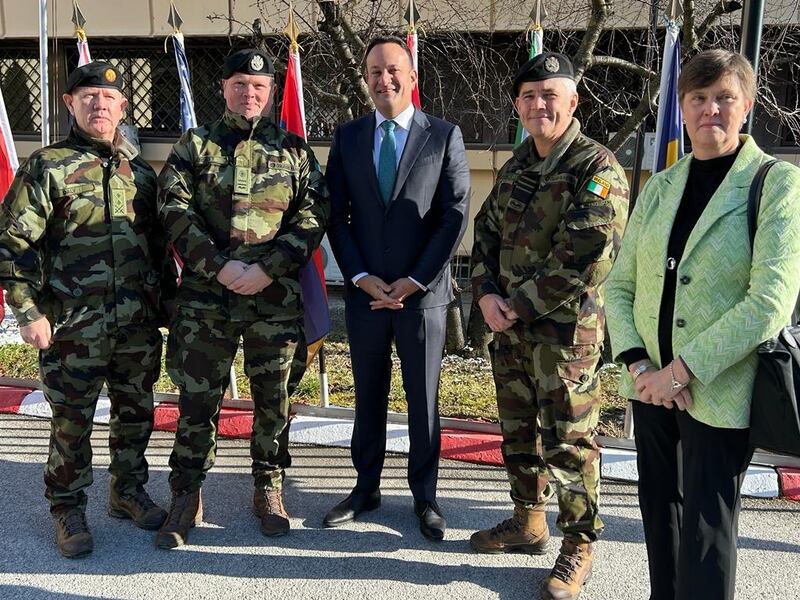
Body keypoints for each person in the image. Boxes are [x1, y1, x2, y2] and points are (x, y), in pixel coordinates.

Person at [605, 49, 800, 600]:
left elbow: (769, 302)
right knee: (659, 514)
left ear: (746, 105)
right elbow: (619, 286)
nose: (710, 109)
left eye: (723, 97)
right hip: (649, 386)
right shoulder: (661, 186)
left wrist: (681, 372)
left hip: (718, 390)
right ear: (683, 107)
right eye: (698, 98)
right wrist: (641, 367)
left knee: (706, 532)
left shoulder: (776, 183)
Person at [155, 48, 329, 548]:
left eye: (258, 86)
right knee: (197, 399)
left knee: (274, 399)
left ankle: (268, 487)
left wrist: (267, 268)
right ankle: (186, 493)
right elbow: (174, 209)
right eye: (239, 84)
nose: (248, 93)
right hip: (206, 300)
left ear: (270, 92)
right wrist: (219, 266)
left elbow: (313, 216)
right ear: (224, 88)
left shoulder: (294, 151)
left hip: (273, 297)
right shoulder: (195, 145)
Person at [470, 53, 629, 599]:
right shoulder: (517, 165)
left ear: (573, 101)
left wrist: (516, 304)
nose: (539, 104)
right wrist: (486, 294)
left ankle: (578, 544)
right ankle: (528, 522)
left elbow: (588, 253)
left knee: (569, 443)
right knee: (518, 433)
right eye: (529, 96)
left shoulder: (595, 167)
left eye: (550, 95)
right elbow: (484, 234)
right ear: (518, 105)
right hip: (511, 331)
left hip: (565, 338)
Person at [0, 62, 174, 558]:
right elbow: (13, 243)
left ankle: (127, 492)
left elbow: (159, 249)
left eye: (108, 98)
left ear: (123, 107)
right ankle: (67, 507)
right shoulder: (47, 166)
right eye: (89, 96)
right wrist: (27, 311)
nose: (100, 105)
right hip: (72, 327)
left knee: (135, 414)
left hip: (136, 324)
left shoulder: (140, 173)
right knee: (71, 422)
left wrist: (169, 309)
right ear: (70, 104)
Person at [324, 36, 470, 541]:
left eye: (392, 71)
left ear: (411, 77)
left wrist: (414, 280)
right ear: (366, 79)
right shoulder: (348, 137)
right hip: (366, 294)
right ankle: (365, 488)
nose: (383, 79)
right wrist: (360, 276)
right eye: (374, 72)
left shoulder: (444, 135)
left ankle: (425, 496)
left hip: (421, 297)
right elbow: (336, 216)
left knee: (422, 401)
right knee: (367, 394)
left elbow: (453, 216)